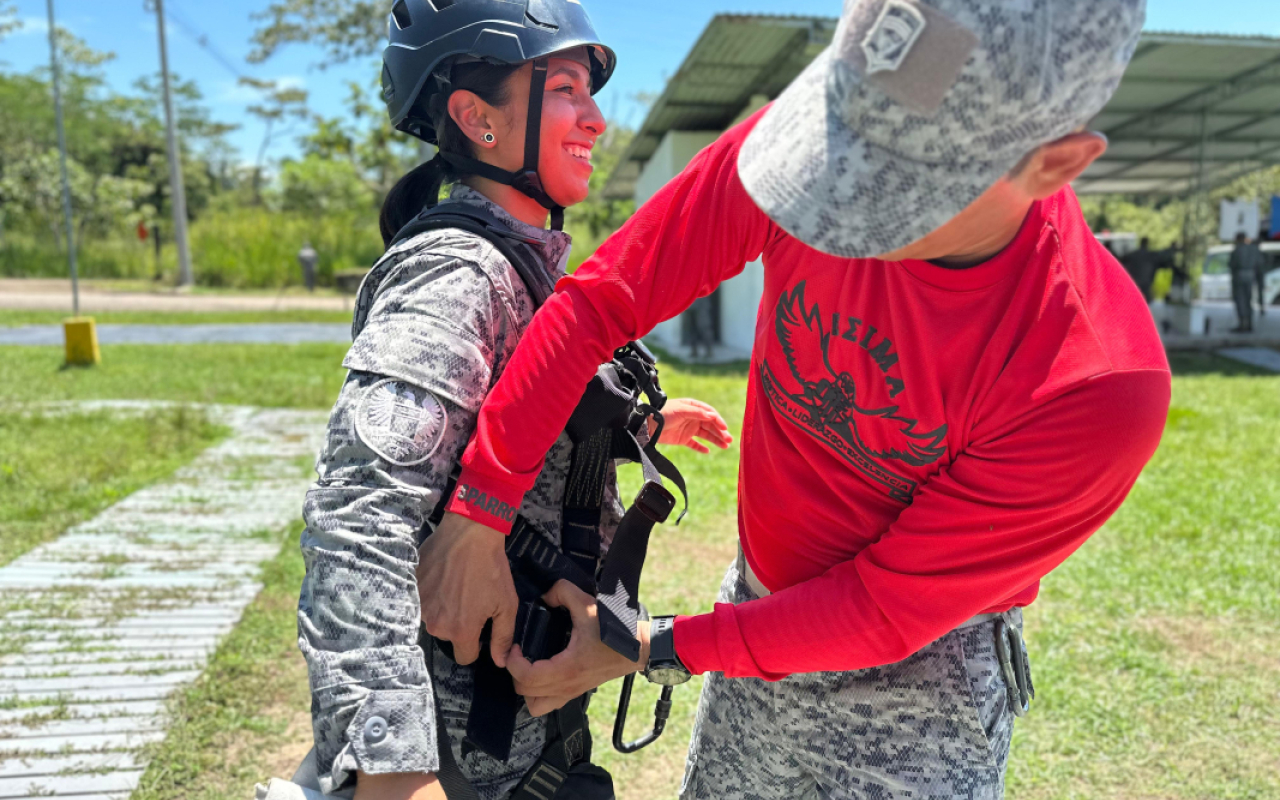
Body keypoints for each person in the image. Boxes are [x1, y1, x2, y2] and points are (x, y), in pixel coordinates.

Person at [419, 0, 1171, 798]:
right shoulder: (827, 138)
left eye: (896, 183)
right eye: (844, 143)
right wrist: (478, 511)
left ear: (1055, 162)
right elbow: (603, 303)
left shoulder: (1094, 382)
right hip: (756, 605)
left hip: (921, 685)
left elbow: (884, 608)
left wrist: (648, 645)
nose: (836, 197)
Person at [293, 2, 732, 799]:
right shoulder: (459, 273)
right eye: (565, 89)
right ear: (475, 118)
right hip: (457, 760)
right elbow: (357, 519)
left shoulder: (525, 270)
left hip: (525, 745)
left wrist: (640, 426)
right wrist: (397, 773)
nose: (595, 119)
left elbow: (521, 415)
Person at [1229, 232, 1261, 333]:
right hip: (1250, 275)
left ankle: (1242, 324)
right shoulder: (1253, 249)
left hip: (1239, 275)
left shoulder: (1237, 250)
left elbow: (1232, 264)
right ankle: (1249, 323)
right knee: (1248, 300)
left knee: (1240, 300)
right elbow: (1259, 263)